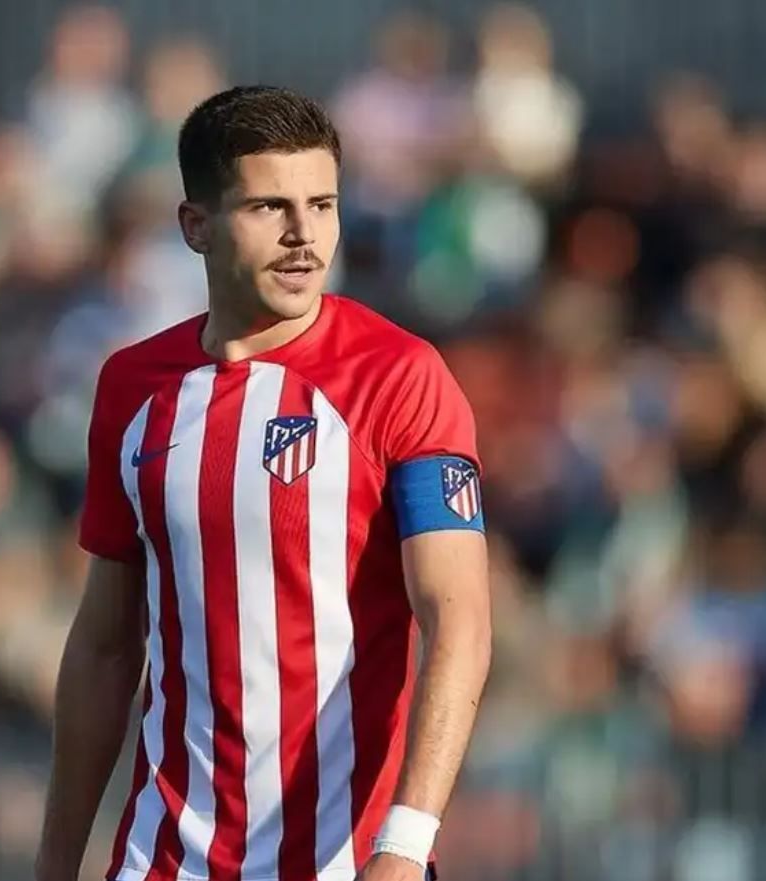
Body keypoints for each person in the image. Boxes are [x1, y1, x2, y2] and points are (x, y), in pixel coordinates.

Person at [35, 86, 492, 881]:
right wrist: (54, 863)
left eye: (322, 203)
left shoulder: (399, 377)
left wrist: (405, 845)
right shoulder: (131, 389)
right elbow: (107, 648)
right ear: (197, 226)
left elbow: (457, 618)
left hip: (345, 861)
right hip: (164, 860)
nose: (302, 235)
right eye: (269, 207)